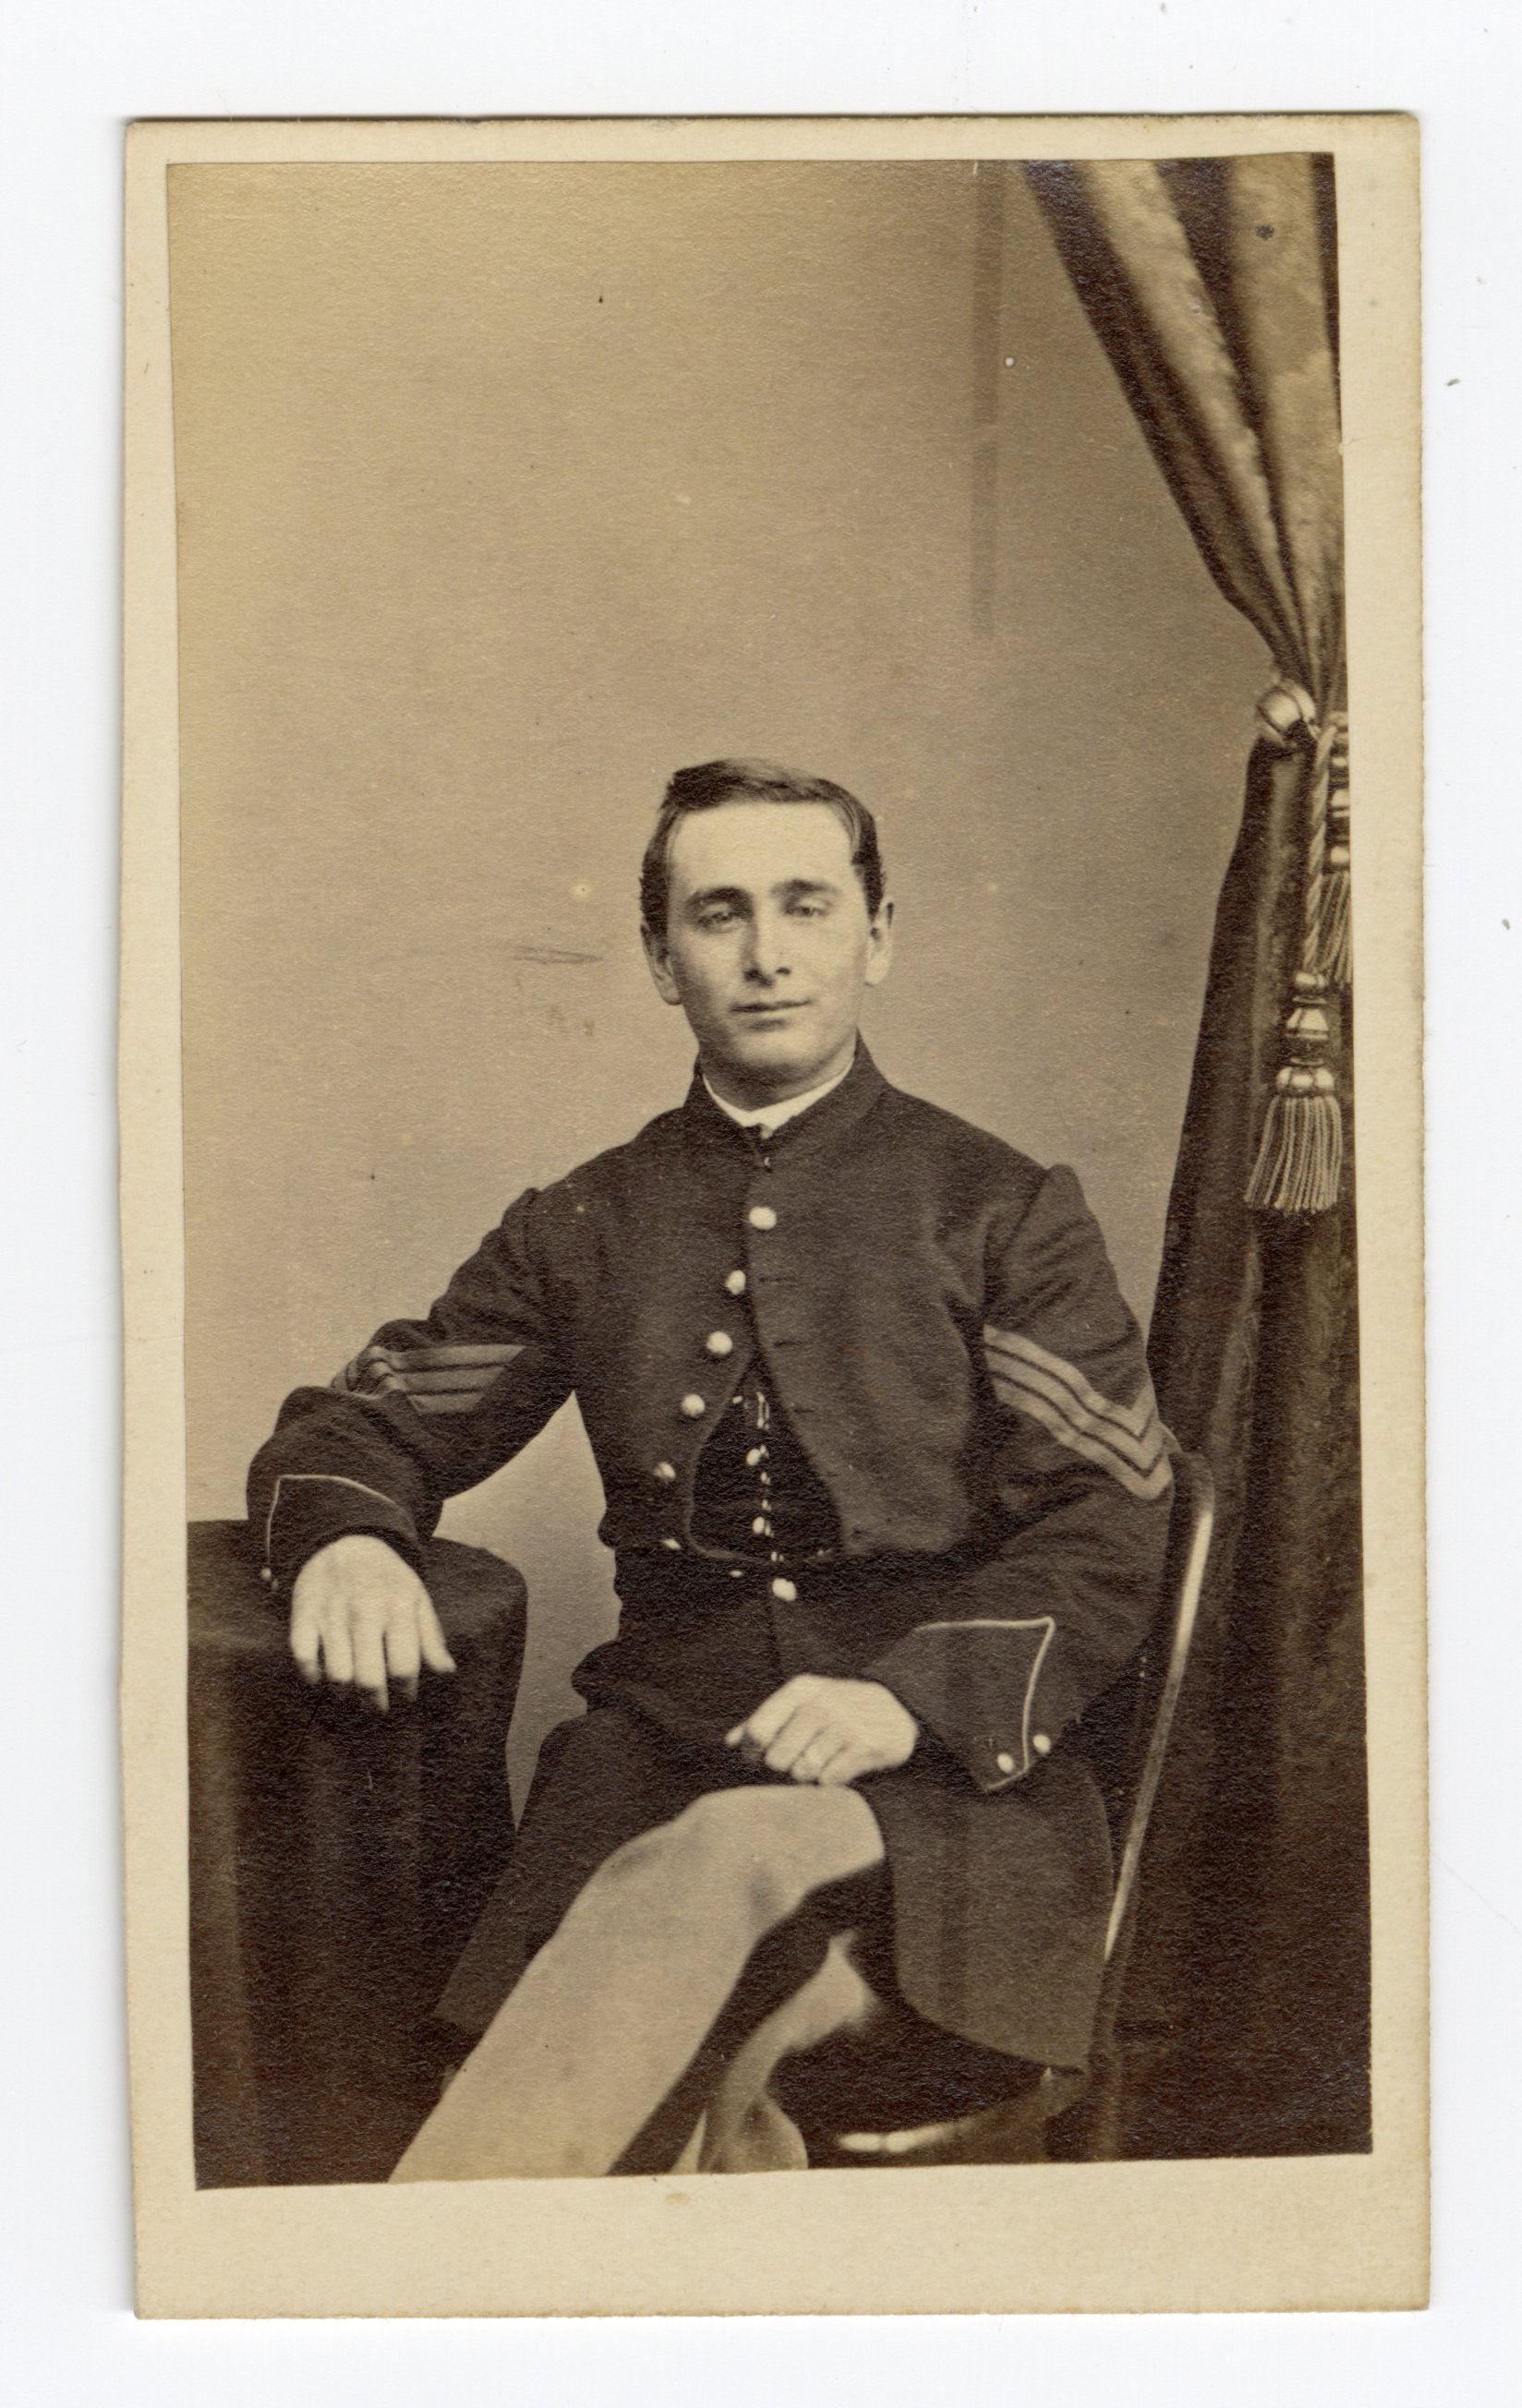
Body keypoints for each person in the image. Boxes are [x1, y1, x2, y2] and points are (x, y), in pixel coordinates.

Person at [248, 759, 1174, 2179]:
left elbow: (1108, 1522)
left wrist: (906, 1700)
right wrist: (348, 1539)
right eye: (718, 913)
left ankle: (437, 2264)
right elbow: (371, 1417)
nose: (767, 954)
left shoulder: (1001, 1211)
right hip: (649, 1768)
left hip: (942, 1799)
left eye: (808, 905)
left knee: (711, 1894)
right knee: (612, 2033)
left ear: (878, 935)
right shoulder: (584, 1223)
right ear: (659, 959)